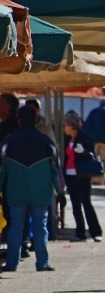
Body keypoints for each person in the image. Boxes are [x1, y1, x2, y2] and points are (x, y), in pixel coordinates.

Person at [0, 106, 60, 272]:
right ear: (36, 119)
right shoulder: (46, 142)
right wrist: (60, 192)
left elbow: (1, 170)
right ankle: (42, 262)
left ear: (19, 120)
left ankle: (12, 263)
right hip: (40, 193)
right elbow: (55, 170)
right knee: (40, 227)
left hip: (16, 192)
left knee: (16, 227)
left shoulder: (8, 141)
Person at [63, 112, 103, 242]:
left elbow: (92, 155)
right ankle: (80, 232)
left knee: (86, 203)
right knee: (75, 205)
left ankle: (95, 231)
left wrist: (84, 151)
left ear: (72, 125)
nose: (64, 128)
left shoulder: (85, 137)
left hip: (82, 174)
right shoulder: (66, 139)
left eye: (66, 125)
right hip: (70, 174)